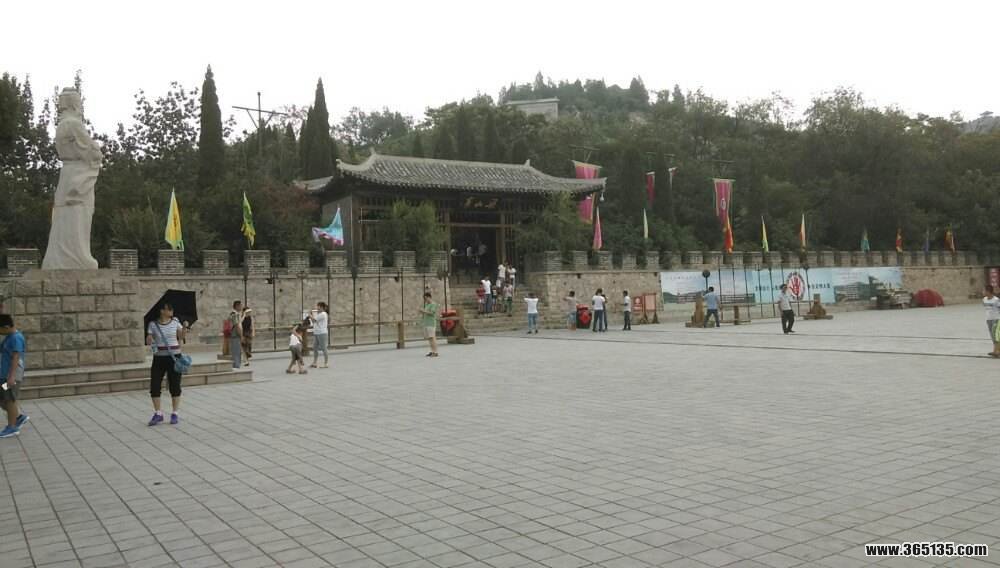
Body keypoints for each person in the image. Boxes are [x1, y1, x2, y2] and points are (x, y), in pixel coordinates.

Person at [146, 302, 188, 426]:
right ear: (162, 311)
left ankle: (175, 413)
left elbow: (181, 336)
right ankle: (158, 413)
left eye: (171, 309)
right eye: (169, 309)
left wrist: (184, 327)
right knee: (154, 385)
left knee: (175, 385)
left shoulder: (175, 322)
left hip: (174, 357)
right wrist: (149, 339)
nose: (171, 311)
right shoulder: (152, 324)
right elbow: (149, 340)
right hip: (159, 358)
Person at [0, 315, 28, 439]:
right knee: (3, 399)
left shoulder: (16, 338)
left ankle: (12, 427)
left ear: (6, 327)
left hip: (12, 376)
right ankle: (18, 417)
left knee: (9, 399)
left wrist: (11, 377)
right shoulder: (8, 337)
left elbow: (16, 357)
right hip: (4, 375)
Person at [309, 302, 330, 368]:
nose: (317, 308)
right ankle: (314, 363)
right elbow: (313, 321)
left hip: (322, 333)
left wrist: (310, 315)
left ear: (321, 307)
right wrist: (311, 316)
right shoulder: (319, 314)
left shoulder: (323, 314)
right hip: (317, 332)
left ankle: (326, 363)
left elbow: (314, 320)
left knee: (324, 348)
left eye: (318, 306)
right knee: (315, 347)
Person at [419, 292, 440, 357]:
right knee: (430, 338)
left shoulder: (433, 304)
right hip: (427, 323)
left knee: (432, 338)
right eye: (424, 299)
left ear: (429, 297)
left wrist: (423, 311)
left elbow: (432, 313)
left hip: (431, 323)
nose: (425, 300)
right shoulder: (427, 304)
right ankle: (432, 351)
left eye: (426, 298)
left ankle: (435, 352)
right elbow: (426, 313)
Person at [984, 285, 1000, 357]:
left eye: (984, 290)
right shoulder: (984, 299)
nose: (983, 292)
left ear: (988, 291)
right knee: (992, 335)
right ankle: (996, 350)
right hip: (988, 320)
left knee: (995, 335)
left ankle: (996, 351)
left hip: (996, 319)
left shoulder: (996, 300)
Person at [228, 300, 243, 369]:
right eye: (240, 305)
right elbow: (237, 326)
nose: (241, 307)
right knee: (236, 352)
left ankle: (236, 365)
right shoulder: (235, 314)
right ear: (237, 306)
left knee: (237, 351)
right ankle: (236, 366)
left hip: (235, 335)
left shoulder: (235, 314)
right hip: (235, 335)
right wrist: (241, 335)